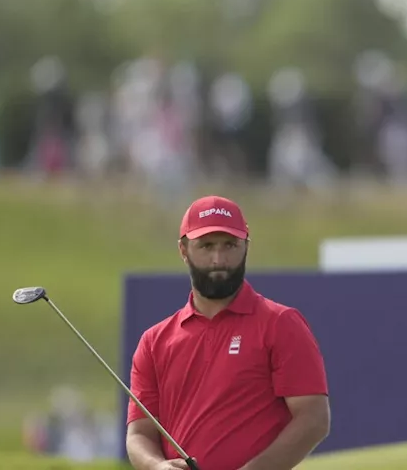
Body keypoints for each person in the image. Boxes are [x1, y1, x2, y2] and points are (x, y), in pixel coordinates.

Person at [125, 196, 330, 470]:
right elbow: (140, 433)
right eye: (206, 246)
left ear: (246, 247)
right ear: (183, 250)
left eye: (230, 245)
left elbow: (313, 418)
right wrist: (156, 466)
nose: (219, 259)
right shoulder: (154, 342)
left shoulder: (281, 324)